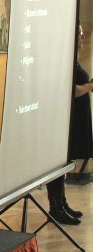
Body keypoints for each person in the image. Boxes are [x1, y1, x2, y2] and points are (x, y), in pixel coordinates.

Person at [46, 24, 92, 225]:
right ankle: (55, 208)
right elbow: (71, 91)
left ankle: (62, 203)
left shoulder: (73, 60)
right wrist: (90, 85)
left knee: (64, 163)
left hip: (74, 121)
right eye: (80, 34)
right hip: (64, 121)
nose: (82, 37)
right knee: (58, 163)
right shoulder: (62, 60)